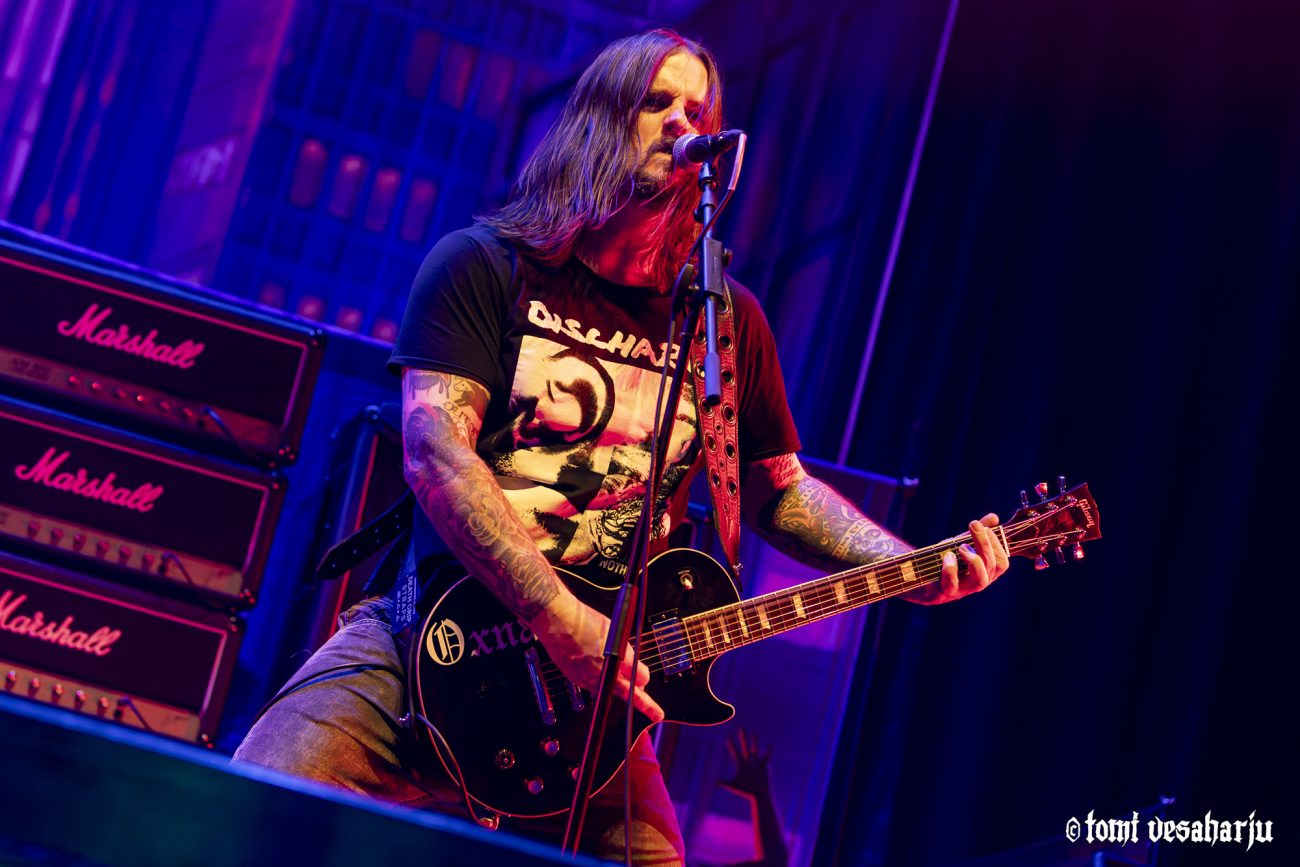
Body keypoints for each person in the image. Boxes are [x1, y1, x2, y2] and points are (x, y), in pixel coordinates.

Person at [234, 27, 1009, 863]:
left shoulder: (722, 322)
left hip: (592, 698)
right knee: (243, 807)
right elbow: (435, 453)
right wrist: (557, 616)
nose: (683, 123)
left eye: (699, 110)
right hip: (434, 634)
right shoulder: (485, 265)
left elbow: (779, 491)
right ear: (601, 119)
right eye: (657, 102)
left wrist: (912, 564)